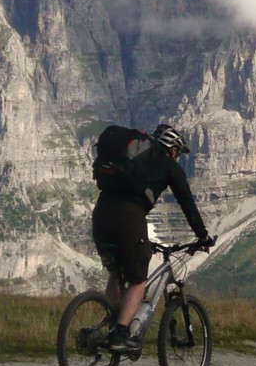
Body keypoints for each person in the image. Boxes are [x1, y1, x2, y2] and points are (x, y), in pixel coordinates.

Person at [91, 122, 212, 353]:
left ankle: (114, 322)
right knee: (138, 281)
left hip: (101, 214)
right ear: (173, 149)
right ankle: (120, 333)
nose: (178, 158)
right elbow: (186, 203)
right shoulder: (169, 165)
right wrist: (203, 236)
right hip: (128, 218)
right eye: (178, 152)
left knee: (116, 273)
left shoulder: (135, 159)